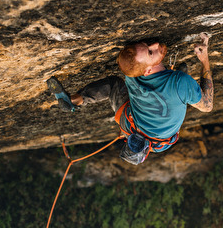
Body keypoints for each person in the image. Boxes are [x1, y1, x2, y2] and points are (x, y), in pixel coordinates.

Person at [47, 33, 213, 165]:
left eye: (148, 46)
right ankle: (75, 99)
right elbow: (207, 106)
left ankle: (75, 100)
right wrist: (204, 60)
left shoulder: (133, 72)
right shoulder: (178, 82)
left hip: (149, 133)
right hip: (132, 125)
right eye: (150, 51)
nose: (155, 45)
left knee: (180, 86)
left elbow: (206, 106)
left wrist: (197, 66)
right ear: (146, 71)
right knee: (113, 86)